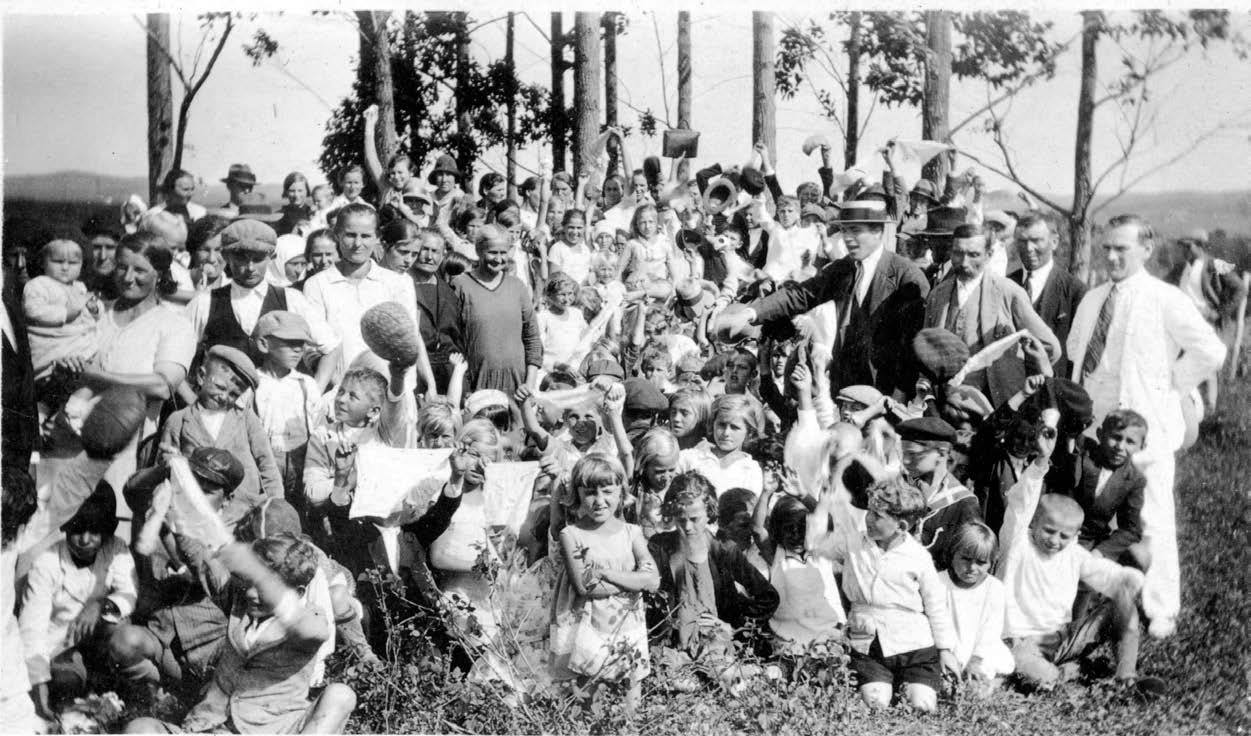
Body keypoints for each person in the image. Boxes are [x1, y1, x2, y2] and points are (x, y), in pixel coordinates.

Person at [1067, 214, 1226, 638]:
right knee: (1092, 512)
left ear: (1146, 249)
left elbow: (1210, 350)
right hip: (1096, 427)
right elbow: (1077, 354)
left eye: (1123, 248)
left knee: (1153, 516)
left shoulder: (1165, 298)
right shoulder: (1092, 299)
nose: (1113, 256)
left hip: (1146, 428)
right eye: (1108, 248)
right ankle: (1086, 601)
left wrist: (1173, 384)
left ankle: (1161, 609)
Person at [122, 536, 356, 734]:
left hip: (274, 729)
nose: (252, 594)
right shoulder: (238, 605)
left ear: (297, 592)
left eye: (263, 587)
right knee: (140, 729)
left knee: (341, 695)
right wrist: (173, 507)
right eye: (250, 584)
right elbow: (200, 559)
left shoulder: (310, 618)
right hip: (213, 726)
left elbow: (309, 631)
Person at [718, 200, 930, 399]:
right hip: (845, 387)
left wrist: (897, 397)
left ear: (878, 232)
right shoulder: (844, 268)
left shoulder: (906, 276)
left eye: (856, 230)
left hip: (885, 392)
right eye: (845, 230)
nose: (847, 238)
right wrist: (748, 313)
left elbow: (912, 347)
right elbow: (800, 294)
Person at [997, 452, 1154, 692]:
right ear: (1033, 523)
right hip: (1024, 641)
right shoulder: (1018, 545)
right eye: (1048, 531)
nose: (1054, 541)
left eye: (1064, 536)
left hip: (1061, 637)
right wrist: (1039, 465)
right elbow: (1020, 505)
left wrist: (1134, 583)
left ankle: (1126, 677)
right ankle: (1069, 673)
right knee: (1041, 677)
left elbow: (1106, 574)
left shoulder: (1073, 554)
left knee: (1122, 603)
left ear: (1075, 536)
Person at [56, 232, 197, 494]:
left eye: (140, 270)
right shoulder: (95, 313)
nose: (128, 277)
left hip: (128, 451)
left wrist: (98, 377)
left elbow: (162, 386)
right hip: (71, 444)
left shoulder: (174, 326)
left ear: (160, 274)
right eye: (122, 267)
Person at [806, 478, 959, 712]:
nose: (868, 519)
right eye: (869, 511)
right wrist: (810, 500)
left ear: (902, 527)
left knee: (921, 705)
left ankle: (912, 683)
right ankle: (884, 683)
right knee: (876, 703)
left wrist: (945, 650)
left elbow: (936, 605)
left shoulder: (918, 557)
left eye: (877, 516)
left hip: (914, 646)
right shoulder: (853, 541)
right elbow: (816, 545)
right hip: (868, 644)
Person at [646, 472, 779, 687]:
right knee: (669, 678)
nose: (688, 527)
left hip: (715, 640)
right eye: (681, 519)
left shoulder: (723, 548)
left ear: (709, 512)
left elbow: (768, 597)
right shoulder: (660, 547)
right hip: (674, 642)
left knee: (717, 667)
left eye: (695, 519)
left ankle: (731, 675)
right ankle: (734, 675)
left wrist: (736, 628)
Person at [550, 454, 658, 711]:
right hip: (585, 623)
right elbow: (585, 587)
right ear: (577, 494)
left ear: (620, 491)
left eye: (608, 491)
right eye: (590, 493)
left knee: (629, 687)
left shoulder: (631, 533)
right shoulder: (572, 535)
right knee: (588, 692)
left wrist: (607, 574)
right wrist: (635, 581)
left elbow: (653, 579)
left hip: (625, 622)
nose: (600, 501)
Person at [21, 480, 136, 718]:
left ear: (107, 531)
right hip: (61, 648)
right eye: (78, 530)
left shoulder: (116, 549)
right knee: (65, 685)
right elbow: (32, 628)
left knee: (124, 643)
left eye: (95, 532)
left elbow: (129, 593)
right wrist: (38, 683)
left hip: (101, 645)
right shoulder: (47, 562)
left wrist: (100, 604)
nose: (85, 540)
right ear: (65, 527)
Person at [184, 219, 341, 390]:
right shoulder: (205, 302)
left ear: (271, 257)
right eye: (242, 259)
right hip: (224, 409)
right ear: (227, 256)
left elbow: (331, 347)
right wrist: (193, 401)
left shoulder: (291, 299)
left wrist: (314, 393)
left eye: (258, 259)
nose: (250, 267)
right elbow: (178, 358)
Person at [923, 223, 1061, 407]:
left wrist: (1015, 375)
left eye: (973, 255)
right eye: (958, 253)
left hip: (996, 404)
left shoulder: (1008, 293)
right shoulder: (938, 295)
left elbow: (1050, 347)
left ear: (988, 255)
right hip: (946, 405)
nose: (964, 262)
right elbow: (925, 349)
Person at [303, 203, 434, 390]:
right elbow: (313, 349)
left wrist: (430, 386)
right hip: (342, 395)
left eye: (365, 236)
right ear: (337, 235)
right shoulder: (316, 285)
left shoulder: (398, 282)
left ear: (377, 237)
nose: (358, 244)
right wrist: (341, 389)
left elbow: (409, 338)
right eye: (350, 235)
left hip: (394, 393)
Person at [159, 345, 283, 509]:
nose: (224, 397)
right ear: (202, 376)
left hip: (243, 512)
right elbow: (165, 466)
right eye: (220, 387)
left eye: (234, 394)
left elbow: (267, 465)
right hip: (197, 510)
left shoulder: (246, 418)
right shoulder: (179, 420)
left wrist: (276, 506)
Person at [1045, 409, 1147, 565]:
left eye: (1130, 442)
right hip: (1054, 527)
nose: (1120, 446)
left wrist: (1099, 552)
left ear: (1142, 446)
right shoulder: (1084, 449)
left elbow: (1131, 529)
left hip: (1088, 542)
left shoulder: (1134, 479)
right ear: (1100, 434)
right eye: (1116, 437)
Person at [452, 223, 542, 396]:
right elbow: (454, 340)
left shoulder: (517, 287)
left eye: (503, 253)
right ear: (478, 251)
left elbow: (532, 337)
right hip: (476, 385)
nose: (499, 259)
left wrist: (529, 384)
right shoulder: (460, 285)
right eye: (492, 252)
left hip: (517, 387)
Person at [1164, 227, 1247, 408]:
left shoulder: (1213, 265)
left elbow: (1239, 288)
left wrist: (1220, 312)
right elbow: (1163, 286)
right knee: (1181, 363)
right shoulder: (1181, 268)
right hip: (1182, 322)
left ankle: (1211, 407)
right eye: (1182, 246)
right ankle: (1183, 404)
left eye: (1188, 246)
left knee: (1208, 364)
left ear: (1200, 246)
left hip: (1206, 322)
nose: (1184, 250)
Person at [1008, 211, 1087, 378]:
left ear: (1054, 242)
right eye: (1022, 241)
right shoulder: (1005, 286)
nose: (1029, 248)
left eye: (1036, 241)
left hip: (1055, 389)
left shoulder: (1075, 291)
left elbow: (1079, 356)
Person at [897, 417, 982, 570]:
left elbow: (971, 559)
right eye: (903, 454)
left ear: (942, 454)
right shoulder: (897, 487)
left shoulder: (963, 503)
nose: (906, 461)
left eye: (913, 454)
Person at [939, 522, 1014, 691]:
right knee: (945, 686)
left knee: (978, 687)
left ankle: (993, 682)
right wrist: (946, 652)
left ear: (991, 563)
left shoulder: (994, 588)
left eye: (981, 562)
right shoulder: (938, 583)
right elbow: (937, 625)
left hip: (981, 648)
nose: (971, 568)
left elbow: (991, 630)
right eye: (965, 559)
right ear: (953, 553)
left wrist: (976, 660)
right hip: (948, 648)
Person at [23, 239, 98, 393]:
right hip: (53, 349)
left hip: (80, 348)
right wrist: (64, 313)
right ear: (43, 263)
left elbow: (92, 317)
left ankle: (76, 404)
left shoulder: (79, 287)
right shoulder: (39, 284)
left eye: (73, 263)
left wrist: (94, 310)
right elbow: (32, 310)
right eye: (57, 262)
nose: (65, 268)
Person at [677, 393, 764, 497]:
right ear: (713, 424)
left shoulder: (751, 469)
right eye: (721, 425)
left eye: (734, 427)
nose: (726, 433)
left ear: (748, 432)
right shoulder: (690, 458)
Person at [537, 272, 588, 372]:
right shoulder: (543, 317)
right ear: (550, 296)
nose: (567, 299)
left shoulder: (576, 314)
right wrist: (557, 365)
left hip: (575, 368)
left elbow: (584, 342)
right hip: (551, 370)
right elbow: (538, 351)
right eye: (562, 294)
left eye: (570, 294)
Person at [547, 209, 594, 285]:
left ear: (584, 228)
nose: (575, 232)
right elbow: (554, 280)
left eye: (579, 228)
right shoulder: (557, 249)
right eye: (571, 227)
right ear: (564, 227)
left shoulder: (585, 249)